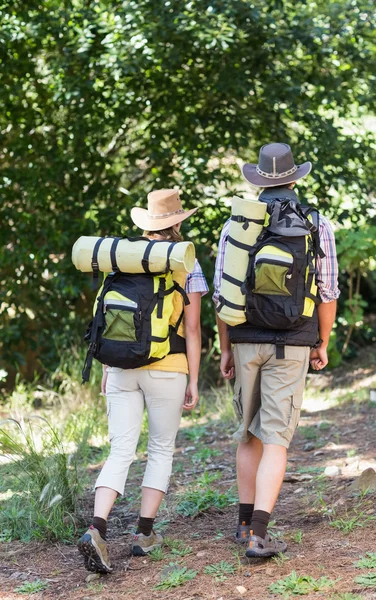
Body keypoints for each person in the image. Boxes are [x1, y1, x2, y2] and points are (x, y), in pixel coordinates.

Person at [214, 143, 340, 558]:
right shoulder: (315, 223)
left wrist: (226, 348)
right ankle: (260, 536)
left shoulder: (237, 225)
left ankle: (244, 523)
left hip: (245, 338)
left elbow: (223, 293)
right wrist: (322, 341)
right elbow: (327, 291)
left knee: (248, 434)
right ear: (294, 177)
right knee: (276, 440)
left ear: (259, 181)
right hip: (293, 342)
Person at [78, 189, 208, 573]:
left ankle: (97, 529)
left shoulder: (120, 259)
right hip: (168, 368)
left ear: (146, 224)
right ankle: (143, 534)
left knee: (120, 450)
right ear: (178, 223)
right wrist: (194, 379)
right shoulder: (185, 262)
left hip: (119, 367)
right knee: (161, 449)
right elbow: (193, 328)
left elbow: (108, 320)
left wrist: (106, 368)